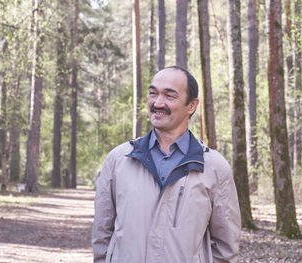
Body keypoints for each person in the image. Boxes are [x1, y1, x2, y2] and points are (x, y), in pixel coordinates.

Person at [92, 66, 241, 263]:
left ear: (191, 105)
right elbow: (102, 235)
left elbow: (226, 248)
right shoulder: (120, 159)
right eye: (153, 93)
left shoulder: (213, 167)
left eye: (169, 96)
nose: (158, 103)